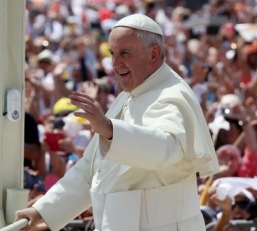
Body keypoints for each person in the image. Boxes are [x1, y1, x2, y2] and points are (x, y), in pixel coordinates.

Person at [15, 13, 219, 231]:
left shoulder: (172, 94)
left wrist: (111, 130)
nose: (115, 63)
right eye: (112, 53)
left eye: (124, 53)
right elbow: (91, 171)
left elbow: (166, 149)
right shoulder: (126, 96)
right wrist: (44, 211)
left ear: (154, 54)